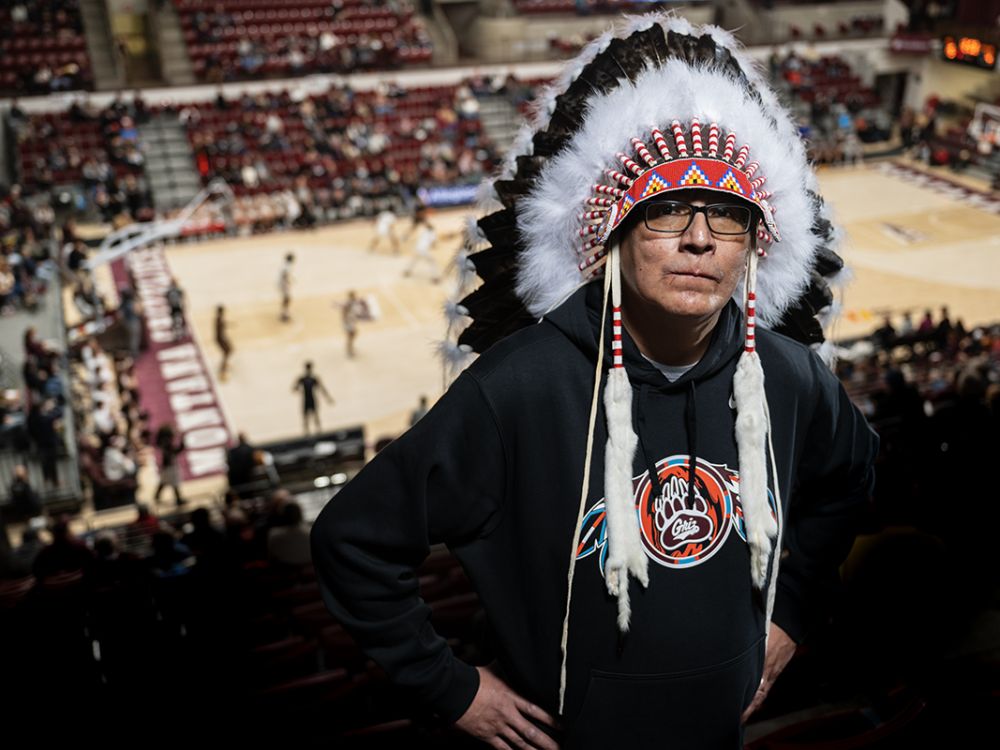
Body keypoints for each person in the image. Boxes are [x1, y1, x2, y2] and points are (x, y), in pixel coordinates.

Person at [310, 16, 879, 749]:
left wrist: (792, 611)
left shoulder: (789, 374)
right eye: (669, 208)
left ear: (753, 248)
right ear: (613, 234)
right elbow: (354, 540)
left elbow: (852, 477)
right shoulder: (519, 387)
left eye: (730, 217)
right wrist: (452, 688)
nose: (700, 238)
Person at [293, 361, 333, 435]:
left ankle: (316, 431)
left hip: (310, 398)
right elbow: (294, 388)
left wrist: (328, 398)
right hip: (308, 398)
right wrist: (328, 398)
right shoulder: (305, 378)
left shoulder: (309, 378)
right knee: (307, 416)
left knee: (313, 415)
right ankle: (308, 432)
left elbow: (321, 388)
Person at [154, 422, 185, 506]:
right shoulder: (166, 443)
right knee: (173, 483)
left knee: (164, 482)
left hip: (167, 466)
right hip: (169, 466)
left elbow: (176, 451)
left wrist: (182, 441)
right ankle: (178, 500)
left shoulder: (164, 443)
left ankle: (156, 496)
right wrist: (182, 440)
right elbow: (175, 452)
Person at [339, 290, 367, 359]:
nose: (355, 296)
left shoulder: (353, 302)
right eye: (354, 295)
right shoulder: (348, 304)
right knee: (350, 336)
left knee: (353, 335)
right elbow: (344, 314)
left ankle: (350, 348)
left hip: (351, 322)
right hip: (348, 323)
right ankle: (349, 350)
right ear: (351, 296)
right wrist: (346, 322)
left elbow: (355, 311)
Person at [215, 305, 232, 380]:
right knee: (227, 352)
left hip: (221, 338)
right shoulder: (219, 320)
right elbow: (220, 331)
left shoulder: (219, 318)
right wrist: (224, 339)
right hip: (220, 339)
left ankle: (224, 364)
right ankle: (222, 372)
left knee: (228, 351)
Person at [278, 252, 294, 322]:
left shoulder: (285, 265)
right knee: (287, 299)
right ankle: (284, 314)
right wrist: (288, 282)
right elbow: (285, 275)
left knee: (286, 299)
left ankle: (284, 313)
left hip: (282, 284)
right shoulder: (288, 266)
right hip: (284, 285)